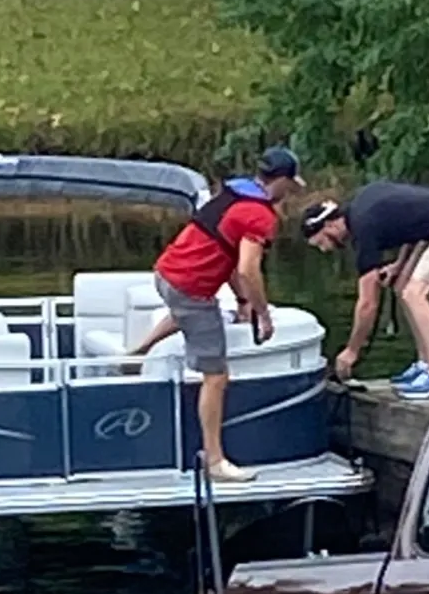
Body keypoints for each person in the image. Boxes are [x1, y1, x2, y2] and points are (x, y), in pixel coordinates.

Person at [128, 145, 302, 482]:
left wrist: (241, 301)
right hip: (190, 287)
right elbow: (249, 269)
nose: (292, 191)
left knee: (188, 314)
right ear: (280, 181)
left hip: (166, 274)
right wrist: (262, 315)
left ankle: (138, 352)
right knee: (217, 376)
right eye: (291, 184)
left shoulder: (232, 195)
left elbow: (226, 257)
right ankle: (215, 461)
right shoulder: (259, 215)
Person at [299, 179, 429, 395]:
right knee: (402, 287)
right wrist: (399, 265)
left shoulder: (362, 228)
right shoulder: (361, 207)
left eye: (322, 242)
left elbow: (368, 303)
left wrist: (352, 350)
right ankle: (424, 365)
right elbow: (411, 224)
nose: (325, 249)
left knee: (415, 294)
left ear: (330, 225)